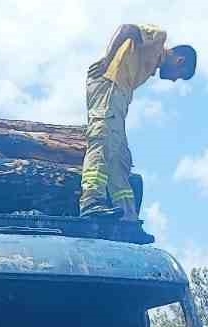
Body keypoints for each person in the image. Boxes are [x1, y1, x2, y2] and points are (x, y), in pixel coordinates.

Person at [80, 25, 197, 219]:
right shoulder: (158, 39)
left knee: (120, 158)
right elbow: (127, 29)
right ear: (180, 60)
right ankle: (91, 201)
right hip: (109, 85)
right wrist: (108, 61)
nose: (175, 80)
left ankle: (127, 216)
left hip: (118, 96)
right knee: (103, 142)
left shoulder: (150, 61)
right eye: (180, 75)